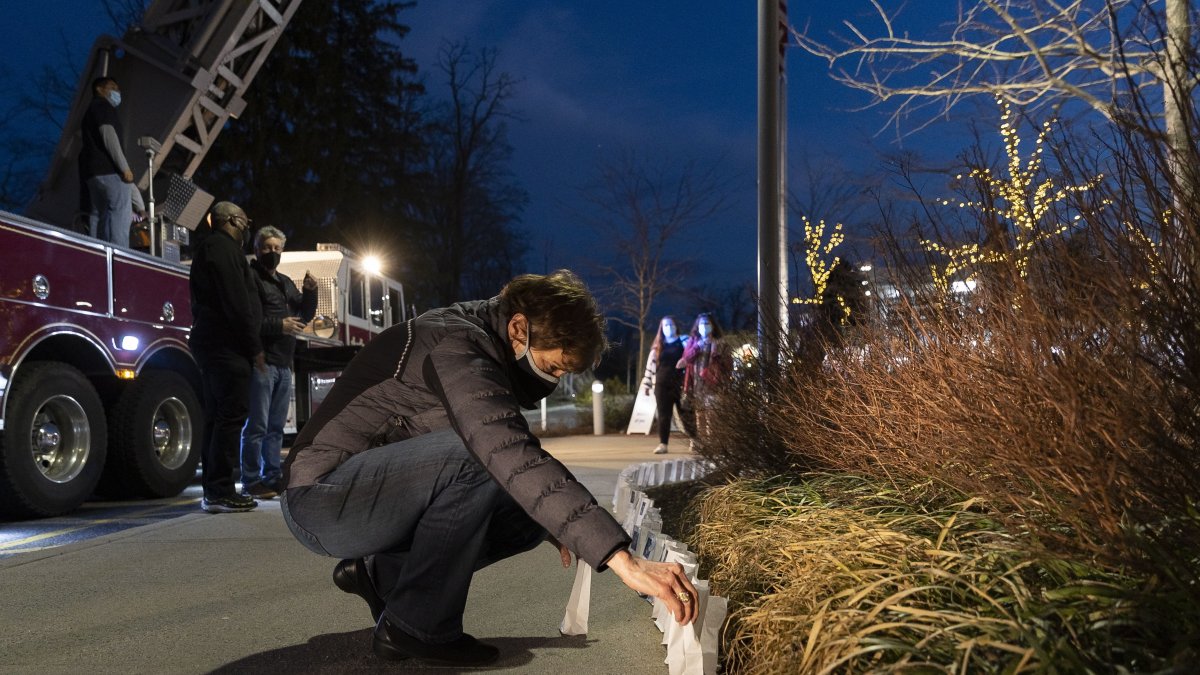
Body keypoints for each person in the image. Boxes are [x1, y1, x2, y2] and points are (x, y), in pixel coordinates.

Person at [280, 270, 699, 667]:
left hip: (366, 496)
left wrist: (557, 522)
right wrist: (622, 558)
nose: (551, 380)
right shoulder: (453, 344)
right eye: (552, 367)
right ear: (519, 329)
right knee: (481, 456)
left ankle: (383, 578)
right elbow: (504, 448)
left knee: (527, 517)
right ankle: (415, 626)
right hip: (322, 496)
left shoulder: (483, 343)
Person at [189, 201, 264, 514]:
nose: (248, 225)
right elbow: (236, 302)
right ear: (233, 219)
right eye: (245, 220)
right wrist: (254, 347)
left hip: (215, 345)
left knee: (218, 417)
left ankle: (215, 490)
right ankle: (221, 491)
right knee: (231, 416)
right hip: (227, 347)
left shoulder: (211, 249)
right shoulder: (224, 249)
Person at [239, 226, 318, 500]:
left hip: (284, 364)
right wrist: (279, 325)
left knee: (275, 428)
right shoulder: (250, 278)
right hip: (262, 362)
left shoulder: (285, 282)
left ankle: (271, 476)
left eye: (277, 249)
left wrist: (311, 293)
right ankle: (250, 480)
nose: (272, 253)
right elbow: (247, 321)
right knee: (257, 426)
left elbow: (303, 316)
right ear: (257, 248)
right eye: (267, 247)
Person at [79, 76, 141, 247]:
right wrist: (124, 168)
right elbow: (109, 136)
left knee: (99, 217)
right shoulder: (102, 106)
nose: (117, 92)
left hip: (93, 174)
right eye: (113, 87)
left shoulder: (89, 111)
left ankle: (96, 252)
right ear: (99, 89)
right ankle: (119, 257)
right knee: (120, 216)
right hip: (110, 171)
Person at [639, 316, 689, 454]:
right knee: (663, 415)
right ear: (661, 329)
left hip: (681, 384)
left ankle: (694, 440)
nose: (669, 328)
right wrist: (647, 384)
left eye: (671, 325)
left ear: (676, 326)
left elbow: (691, 357)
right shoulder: (658, 347)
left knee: (686, 413)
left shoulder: (684, 342)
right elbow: (650, 366)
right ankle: (663, 444)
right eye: (666, 325)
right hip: (661, 384)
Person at [680, 312, 729, 449]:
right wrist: (698, 346)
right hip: (696, 384)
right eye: (701, 324)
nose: (704, 326)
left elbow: (728, 364)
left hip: (713, 383)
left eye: (707, 323)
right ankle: (701, 442)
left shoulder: (720, 344)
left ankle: (712, 442)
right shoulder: (693, 343)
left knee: (712, 415)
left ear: (713, 326)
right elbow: (686, 360)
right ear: (697, 326)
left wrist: (718, 362)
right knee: (699, 414)